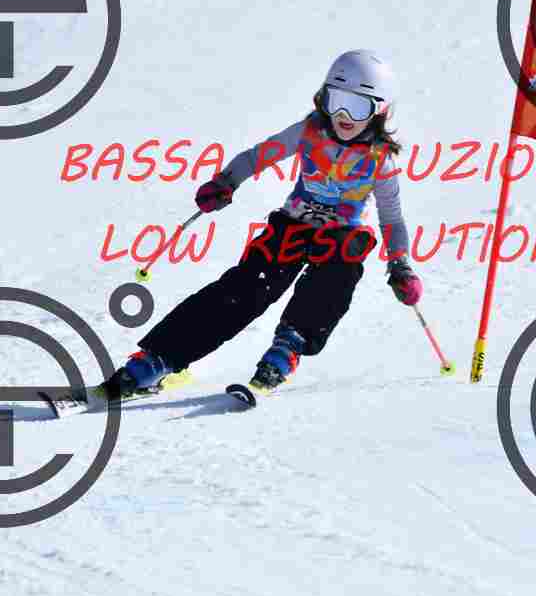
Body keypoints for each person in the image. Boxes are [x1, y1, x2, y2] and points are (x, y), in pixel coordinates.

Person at [106, 50, 422, 399]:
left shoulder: (380, 160)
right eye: (337, 101)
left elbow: (392, 218)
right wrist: (227, 182)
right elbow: (259, 155)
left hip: (340, 237)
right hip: (291, 228)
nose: (343, 115)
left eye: (357, 107)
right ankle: (161, 357)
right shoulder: (309, 132)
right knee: (244, 290)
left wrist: (400, 265)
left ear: (380, 110)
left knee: (339, 272)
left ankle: (288, 347)